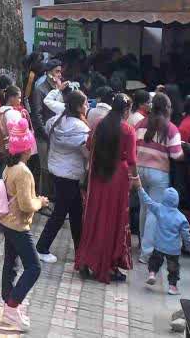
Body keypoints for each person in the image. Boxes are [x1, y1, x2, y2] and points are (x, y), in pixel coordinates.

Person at [75, 93, 138, 283]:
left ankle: (86, 261)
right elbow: (133, 160)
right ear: (126, 110)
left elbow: (88, 145)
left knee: (94, 218)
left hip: (98, 175)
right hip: (117, 178)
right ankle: (108, 266)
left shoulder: (99, 125)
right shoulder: (127, 130)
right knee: (113, 221)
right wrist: (135, 178)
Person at [0, 117, 47, 331]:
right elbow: (27, 205)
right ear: (26, 149)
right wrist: (41, 202)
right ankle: (12, 306)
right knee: (34, 267)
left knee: (11, 263)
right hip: (18, 224)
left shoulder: (9, 167)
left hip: (6, 222)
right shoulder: (24, 172)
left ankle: (9, 304)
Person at [36, 87, 90, 263]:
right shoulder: (80, 127)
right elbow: (86, 152)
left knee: (75, 212)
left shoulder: (55, 120)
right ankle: (42, 247)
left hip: (58, 171)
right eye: (85, 103)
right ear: (79, 107)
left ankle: (80, 249)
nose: (88, 105)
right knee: (60, 213)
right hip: (70, 174)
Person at [133, 91, 183, 260]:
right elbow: (176, 155)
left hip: (139, 170)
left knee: (144, 208)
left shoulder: (140, 124)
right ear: (167, 108)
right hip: (159, 173)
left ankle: (142, 244)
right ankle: (147, 253)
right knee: (154, 212)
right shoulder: (171, 128)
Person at [138, 183, 190, 295]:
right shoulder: (181, 218)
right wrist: (189, 247)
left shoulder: (159, 209)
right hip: (174, 249)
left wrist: (140, 189)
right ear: (177, 201)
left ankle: (152, 274)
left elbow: (148, 201)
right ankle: (172, 287)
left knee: (154, 261)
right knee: (173, 269)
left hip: (159, 245)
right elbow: (186, 235)